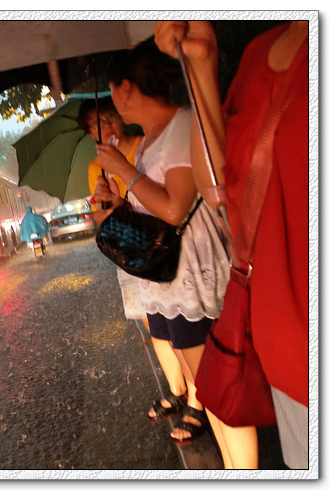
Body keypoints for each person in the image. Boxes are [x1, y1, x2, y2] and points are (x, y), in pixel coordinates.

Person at [154, 20, 309, 470]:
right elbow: (219, 187)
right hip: (284, 355)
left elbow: (176, 207)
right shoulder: (260, 52)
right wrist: (201, 66)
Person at [93, 38, 230, 449]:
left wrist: (124, 170)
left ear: (126, 89)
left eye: (112, 91)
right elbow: (151, 206)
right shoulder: (151, 139)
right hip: (165, 275)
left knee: (216, 391)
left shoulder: (182, 126)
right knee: (197, 375)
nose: (113, 100)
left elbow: (174, 209)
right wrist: (119, 203)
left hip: (190, 271)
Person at [78, 96, 189, 416]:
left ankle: (198, 397)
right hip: (131, 251)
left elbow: (167, 199)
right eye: (95, 125)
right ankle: (176, 390)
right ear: (90, 133)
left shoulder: (145, 145)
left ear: (121, 115)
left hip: (163, 245)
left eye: (109, 117)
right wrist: (108, 204)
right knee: (155, 326)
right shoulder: (96, 167)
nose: (105, 127)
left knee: (180, 325)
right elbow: (103, 217)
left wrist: (124, 175)